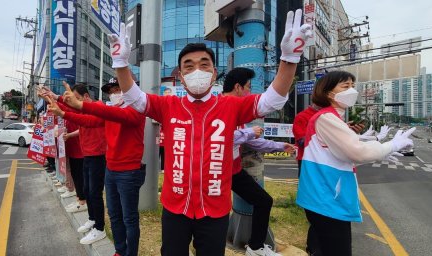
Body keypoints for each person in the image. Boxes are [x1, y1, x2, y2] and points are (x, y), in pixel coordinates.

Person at [108, 9, 312, 255]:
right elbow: (134, 97)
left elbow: (273, 100)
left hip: (215, 210)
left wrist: (289, 59)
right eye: (189, 66)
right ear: (181, 77)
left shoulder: (230, 105)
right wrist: (121, 64)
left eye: (204, 65)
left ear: (214, 73)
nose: (197, 70)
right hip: (175, 209)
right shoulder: (167, 105)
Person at [296, 71, 415, 256]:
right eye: (345, 86)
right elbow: (357, 152)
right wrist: (391, 145)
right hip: (327, 199)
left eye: (353, 85)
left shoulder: (331, 117)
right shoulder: (327, 118)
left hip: (325, 198)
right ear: (328, 93)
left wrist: (380, 153)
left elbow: (341, 158)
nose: (352, 90)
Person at [49, 78, 146, 256]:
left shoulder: (136, 110)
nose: (114, 94)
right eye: (111, 91)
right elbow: (88, 121)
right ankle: (119, 251)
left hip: (129, 172)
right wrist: (63, 112)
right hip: (111, 169)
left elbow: (99, 112)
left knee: (129, 219)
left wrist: (71, 104)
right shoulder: (111, 112)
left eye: (118, 89)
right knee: (115, 215)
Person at [223, 67, 295, 256]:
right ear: (238, 87)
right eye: (248, 87)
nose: (250, 93)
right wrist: (248, 132)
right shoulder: (220, 105)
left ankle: (255, 248)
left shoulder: (237, 112)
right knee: (217, 212)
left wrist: (280, 146)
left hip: (234, 171)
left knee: (263, 201)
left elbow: (252, 140)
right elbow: (217, 137)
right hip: (217, 172)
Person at [42, 84, 108, 245]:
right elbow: (72, 110)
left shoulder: (98, 107)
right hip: (87, 154)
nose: (75, 103)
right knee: (86, 190)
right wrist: (54, 97)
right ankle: (92, 220)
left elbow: (79, 117)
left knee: (94, 193)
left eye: (77, 99)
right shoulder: (83, 108)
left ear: (86, 97)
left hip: (98, 156)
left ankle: (100, 228)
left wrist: (63, 112)